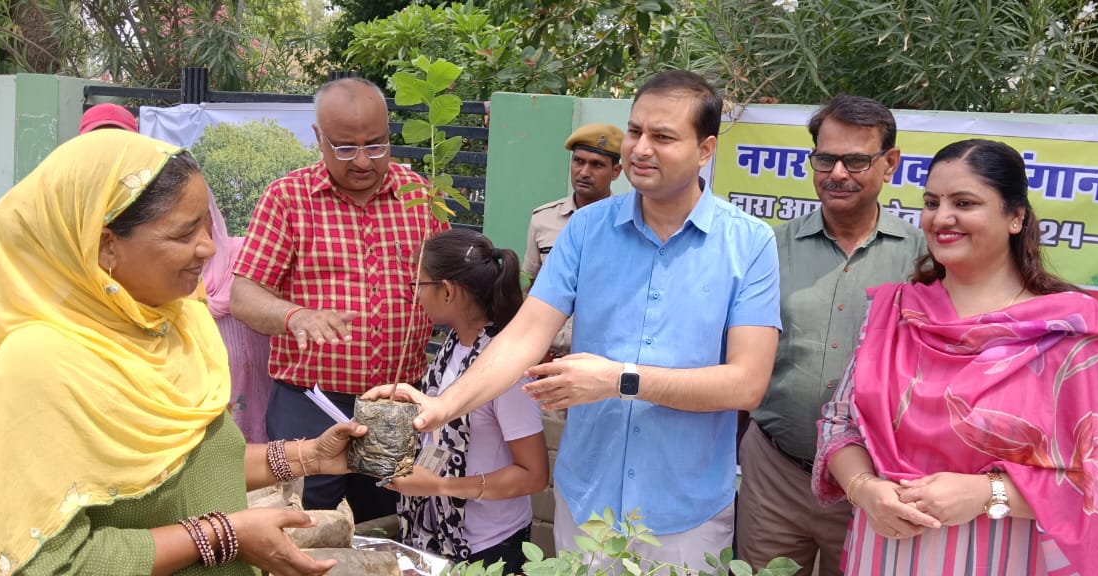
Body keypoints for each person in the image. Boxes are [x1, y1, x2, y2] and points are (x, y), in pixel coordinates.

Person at [371, 70, 781, 572]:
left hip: (686, 512)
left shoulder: (749, 244)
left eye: (663, 137)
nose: (641, 148)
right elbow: (524, 334)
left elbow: (747, 383)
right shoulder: (586, 230)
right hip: (588, 498)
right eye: (635, 131)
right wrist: (441, 406)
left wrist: (620, 380)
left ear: (705, 149)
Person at [0, 129, 368, 575]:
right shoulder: (40, 367)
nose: (209, 248)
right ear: (105, 246)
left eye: (207, 224)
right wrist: (221, 535)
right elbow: (48, 563)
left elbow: (193, 468)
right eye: (183, 233)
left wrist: (308, 456)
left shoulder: (180, 323)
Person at [813, 139, 1098, 575]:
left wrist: (987, 494)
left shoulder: (1076, 336)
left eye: (965, 202)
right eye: (932, 202)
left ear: (1016, 217)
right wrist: (865, 491)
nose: (942, 218)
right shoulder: (895, 313)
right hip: (883, 550)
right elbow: (840, 422)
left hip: (1007, 556)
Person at [230, 76, 448, 523]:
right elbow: (243, 295)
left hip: (395, 401)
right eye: (346, 148)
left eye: (377, 145)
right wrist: (295, 316)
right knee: (305, 523)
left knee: (388, 519)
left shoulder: (420, 197)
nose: (365, 161)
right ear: (319, 138)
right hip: (309, 402)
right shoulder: (287, 198)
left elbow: (448, 290)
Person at [737, 94, 926, 576]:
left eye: (857, 160)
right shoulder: (768, 249)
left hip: (876, 483)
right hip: (775, 474)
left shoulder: (925, 260)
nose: (838, 173)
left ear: (890, 164)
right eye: (826, 158)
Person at [380, 229, 548, 572]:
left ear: (448, 291)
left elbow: (534, 475)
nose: (414, 296)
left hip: (489, 546)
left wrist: (441, 486)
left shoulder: (505, 368)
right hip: (438, 536)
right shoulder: (452, 348)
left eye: (419, 285)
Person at [524, 123, 623, 357]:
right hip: (545, 354)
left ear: (616, 171)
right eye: (579, 161)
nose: (584, 172)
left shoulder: (627, 224)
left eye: (597, 165)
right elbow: (530, 286)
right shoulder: (544, 219)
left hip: (598, 359)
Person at [203, 197, 272, 443]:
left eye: (203, 214)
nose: (197, 226)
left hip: (258, 381)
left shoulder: (244, 255)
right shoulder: (163, 274)